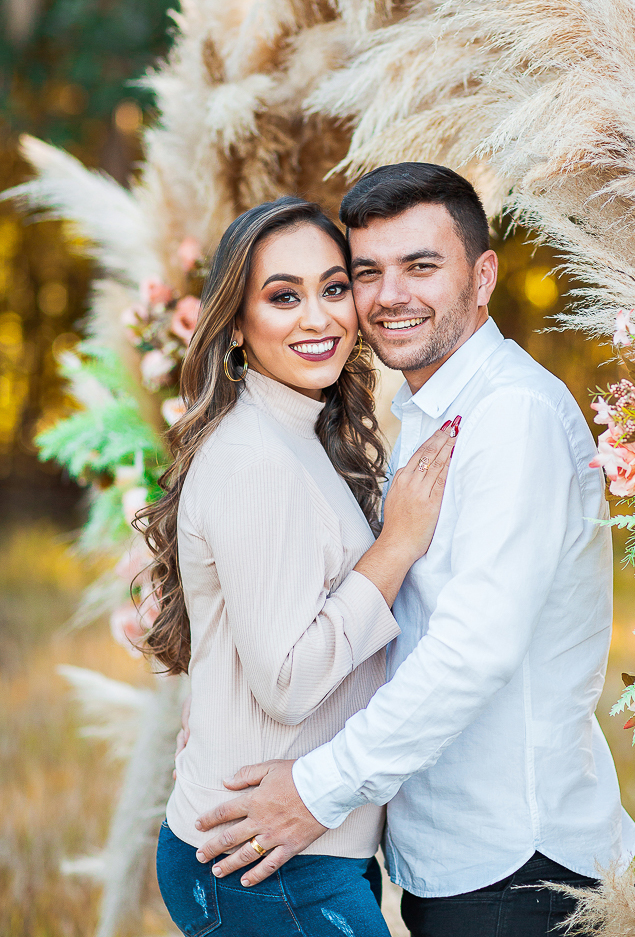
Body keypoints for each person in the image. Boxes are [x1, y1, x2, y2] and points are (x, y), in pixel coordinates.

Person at [193, 163, 635, 937]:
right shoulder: (426, 412)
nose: (390, 295)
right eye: (367, 273)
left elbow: (472, 649)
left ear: (483, 275)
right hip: (452, 856)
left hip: (515, 862)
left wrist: (315, 790)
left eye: (422, 266)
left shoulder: (512, 418)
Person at [142, 195, 457, 937]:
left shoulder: (295, 434)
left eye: (334, 288)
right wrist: (396, 546)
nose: (319, 318)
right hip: (264, 865)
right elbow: (286, 682)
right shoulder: (257, 458)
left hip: (290, 851)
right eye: (284, 297)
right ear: (239, 326)